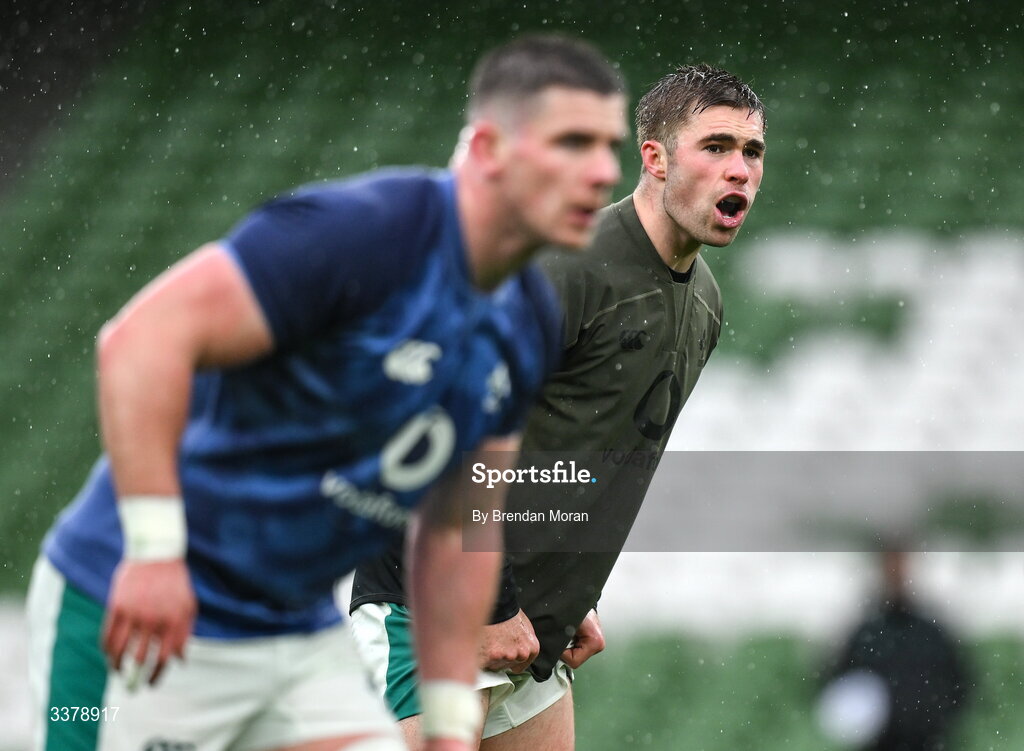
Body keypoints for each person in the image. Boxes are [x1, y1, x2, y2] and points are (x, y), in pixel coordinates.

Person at [26, 34, 628, 751]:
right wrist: (154, 552)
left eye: (608, 145)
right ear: (491, 147)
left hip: (293, 635)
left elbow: (453, 527)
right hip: (144, 608)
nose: (601, 171)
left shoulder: (527, 317)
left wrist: (444, 719)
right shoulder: (365, 231)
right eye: (573, 143)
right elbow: (140, 340)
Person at [350, 63, 766, 750]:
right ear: (655, 159)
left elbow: (591, 452)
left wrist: (574, 589)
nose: (739, 170)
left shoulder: (705, 304)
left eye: (751, 152)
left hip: (529, 623)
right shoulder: (567, 264)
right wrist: (494, 602)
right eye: (715, 147)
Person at [818, 550, 972, 751]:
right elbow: (839, 686)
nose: (897, 575)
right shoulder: (866, 633)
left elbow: (961, 686)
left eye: (901, 567)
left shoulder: (932, 633)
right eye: (892, 568)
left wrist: (933, 719)